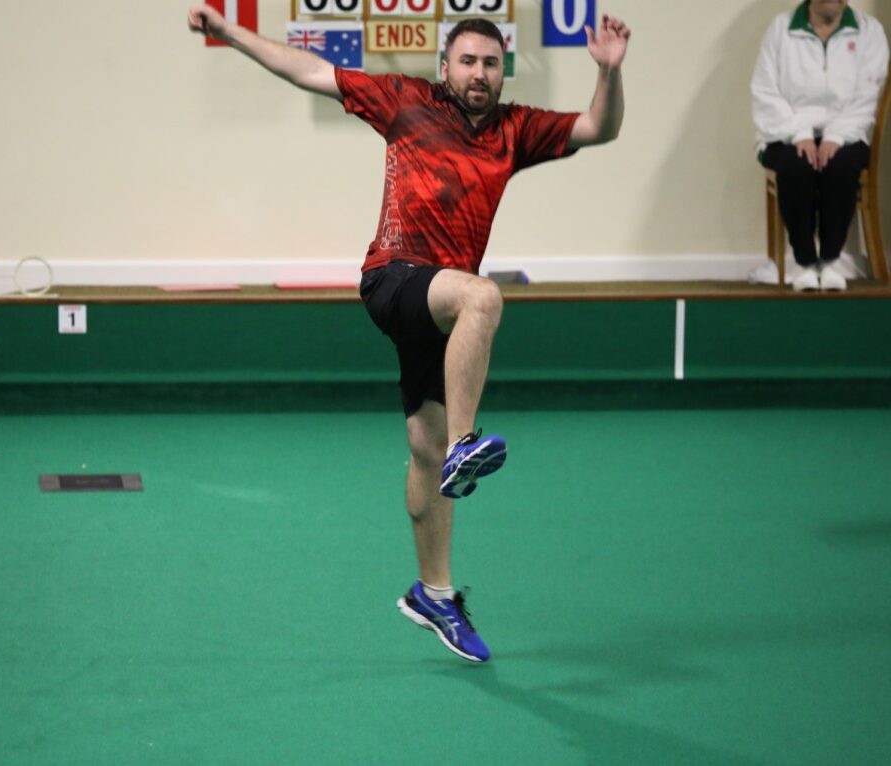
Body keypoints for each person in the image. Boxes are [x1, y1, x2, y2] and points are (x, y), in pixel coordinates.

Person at [188, 8, 630, 662]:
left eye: (490, 63)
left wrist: (608, 72)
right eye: (468, 61)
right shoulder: (404, 100)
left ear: (501, 70)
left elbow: (599, 126)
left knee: (423, 445)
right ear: (445, 67)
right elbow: (307, 69)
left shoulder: (516, 130)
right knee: (482, 298)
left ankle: (435, 593)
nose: (479, 74)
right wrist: (230, 34)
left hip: (436, 306)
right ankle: (466, 444)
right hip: (395, 276)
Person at [752, 0, 889, 291]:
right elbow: (765, 91)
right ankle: (804, 262)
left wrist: (835, 137)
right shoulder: (780, 29)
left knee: (839, 166)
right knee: (795, 166)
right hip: (787, 131)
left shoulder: (870, 32)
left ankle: (829, 261)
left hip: (847, 132)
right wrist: (798, 133)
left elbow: (870, 94)